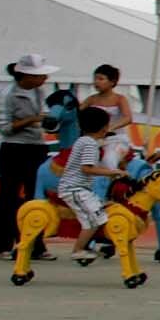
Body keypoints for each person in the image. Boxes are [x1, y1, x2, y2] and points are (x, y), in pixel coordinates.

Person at [0, 53, 60, 260]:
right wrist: (32, 119)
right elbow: (4, 128)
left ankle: (35, 245)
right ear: (26, 75)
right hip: (13, 148)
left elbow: (46, 116)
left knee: (36, 197)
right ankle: (1, 246)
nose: (44, 79)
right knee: (8, 197)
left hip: (36, 147)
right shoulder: (8, 94)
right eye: (40, 76)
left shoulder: (40, 92)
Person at [56, 107, 115, 262]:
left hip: (79, 188)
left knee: (101, 214)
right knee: (94, 218)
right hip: (74, 188)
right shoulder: (89, 144)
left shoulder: (85, 141)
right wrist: (112, 172)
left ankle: (97, 244)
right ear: (104, 127)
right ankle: (78, 249)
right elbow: (87, 168)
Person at [82, 63, 136, 171]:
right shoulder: (91, 99)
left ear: (112, 82)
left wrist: (109, 128)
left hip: (116, 139)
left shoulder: (120, 99)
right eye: (95, 78)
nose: (96, 82)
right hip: (95, 139)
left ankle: (113, 183)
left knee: (109, 159)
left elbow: (128, 118)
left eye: (101, 79)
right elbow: (77, 113)